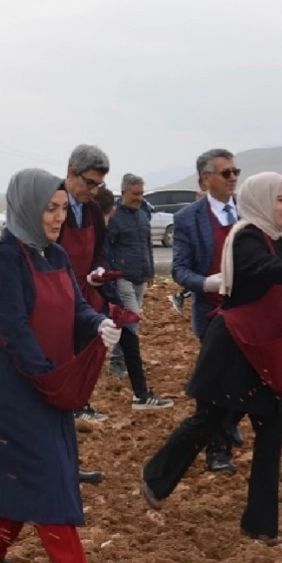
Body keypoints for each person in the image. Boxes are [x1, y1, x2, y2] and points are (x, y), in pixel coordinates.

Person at [140, 172, 282, 545]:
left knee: (271, 429)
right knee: (208, 421)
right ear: (260, 201)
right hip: (234, 348)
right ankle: (155, 478)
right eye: (281, 199)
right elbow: (266, 272)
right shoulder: (246, 239)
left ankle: (261, 525)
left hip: (264, 351)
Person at [0, 167, 119, 563]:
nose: (58, 217)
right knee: (50, 475)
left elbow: (77, 311)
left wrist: (101, 325)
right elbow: (13, 329)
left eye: (60, 209)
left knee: (29, 468)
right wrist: (48, 374)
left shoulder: (52, 255)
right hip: (15, 382)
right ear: (27, 208)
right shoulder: (2, 259)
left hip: (51, 377)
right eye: (49, 209)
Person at [169, 148, 244, 473]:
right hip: (212, 314)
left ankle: (228, 421)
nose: (233, 178)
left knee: (247, 377)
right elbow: (179, 269)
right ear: (205, 179)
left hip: (248, 311)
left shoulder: (247, 211)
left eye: (235, 172)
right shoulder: (188, 219)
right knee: (215, 382)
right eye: (226, 173)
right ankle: (217, 451)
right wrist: (205, 284)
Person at [97, 186, 172, 409]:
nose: (140, 198)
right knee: (130, 327)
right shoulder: (98, 233)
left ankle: (140, 392)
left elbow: (146, 243)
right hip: (109, 289)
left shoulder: (141, 216)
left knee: (128, 331)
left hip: (118, 286)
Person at [56, 144, 113, 424]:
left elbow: (100, 248)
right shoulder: (52, 204)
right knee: (61, 350)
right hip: (56, 292)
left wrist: (98, 269)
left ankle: (79, 402)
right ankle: (65, 403)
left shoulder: (91, 210)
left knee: (85, 347)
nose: (93, 191)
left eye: (98, 185)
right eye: (89, 183)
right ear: (71, 173)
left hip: (85, 290)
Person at [167, 184, 206, 315]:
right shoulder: (187, 218)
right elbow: (179, 267)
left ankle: (180, 296)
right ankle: (180, 296)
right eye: (202, 197)